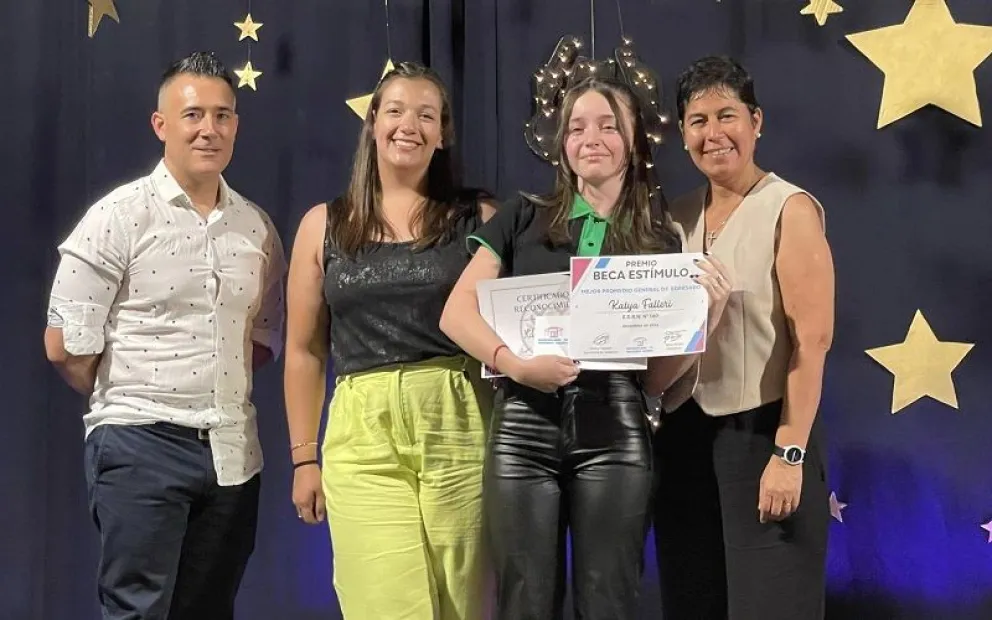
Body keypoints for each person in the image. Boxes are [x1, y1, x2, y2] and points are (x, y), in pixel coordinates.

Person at [439, 74, 732, 619]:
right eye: (576, 128)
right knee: (525, 598)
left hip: (615, 430)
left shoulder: (658, 239)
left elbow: (655, 380)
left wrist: (703, 321)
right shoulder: (523, 216)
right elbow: (456, 313)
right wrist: (515, 366)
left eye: (607, 126)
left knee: (608, 600)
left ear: (633, 143)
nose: (590, 138)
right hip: (523, 428)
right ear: (562, 145)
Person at [43, 51, 285, 619]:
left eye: (223, 116)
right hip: (138, 443)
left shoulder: (256, 227)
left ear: (236, 126)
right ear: (162, 126)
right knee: (138, 611)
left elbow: (260, 341)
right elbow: (66, 346)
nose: (210, 129)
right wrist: (139, 402)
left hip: (233, 453)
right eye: (194, 115)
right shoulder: (118, 216)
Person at [283, 61, 495, 620]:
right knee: (381, 604)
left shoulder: (481, 218)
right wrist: (305, 459)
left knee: (468, 603)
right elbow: (305, 350)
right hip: (362, 433)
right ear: (373, 122)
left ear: (443, 133)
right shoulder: (323, 226)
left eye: (427, 115)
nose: (410, 125)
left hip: (462, 422)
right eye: (396, 110)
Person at [652, 55, 834, 620]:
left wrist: (789, 452)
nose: (713, 134)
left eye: (726, 116)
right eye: (697, 120)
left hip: (762, 437)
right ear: (682, 135)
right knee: (692, 599)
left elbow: (814, 341)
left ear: (756, 121)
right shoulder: (674, 219)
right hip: (683, 443)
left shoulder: (790, 207)